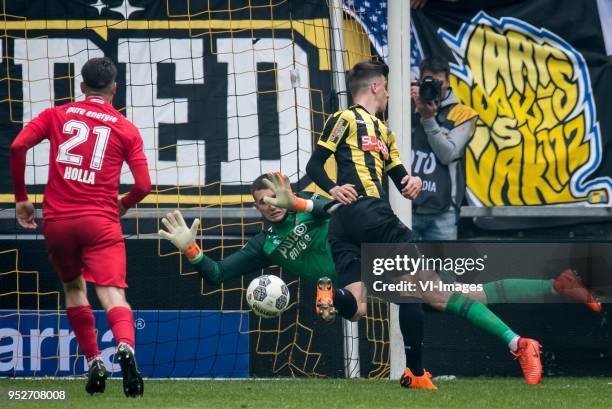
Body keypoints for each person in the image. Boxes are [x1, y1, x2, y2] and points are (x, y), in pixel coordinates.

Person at [305, 60, 543, 388]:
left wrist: (411, 183)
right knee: (415, 292)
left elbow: (401, 179)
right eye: (386, 88)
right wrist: (333, 187)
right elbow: (315, 163)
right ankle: (417, 372)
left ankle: (333, 297)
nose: (388, 94)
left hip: (342, 225)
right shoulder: (345, 117)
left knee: (357, 307)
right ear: (375, 87)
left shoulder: (384, 133)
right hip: (371, 214)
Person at [10, 57, 150, 397]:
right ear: (114, 88)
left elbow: (17, 146)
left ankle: (92, 361)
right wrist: (123, 204)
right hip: (100, 221)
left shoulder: (56, 115)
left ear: (82, 86)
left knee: (74, 288)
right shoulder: (125, 128)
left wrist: (21, 198)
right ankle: (125, 349)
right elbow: (144, 185)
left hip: (59, 220)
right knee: (113, 292)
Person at [158, 172, 368, 316]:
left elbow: (333, 208)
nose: (272, 205)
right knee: (358, 311)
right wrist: (190, 248)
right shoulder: (264, 245)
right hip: (346, 277)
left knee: (394, 296)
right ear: (256, 207)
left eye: (275, 197)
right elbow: (217, 273)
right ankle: (333, 296)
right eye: (263, 202)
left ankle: (335, 297)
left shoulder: (305, 203)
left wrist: (297, 202)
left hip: (361, 253)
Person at [410, 56, 478, 240]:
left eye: (438, 82)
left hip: (443, 212)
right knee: (405, 269)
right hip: (407, 206)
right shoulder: (407, 105)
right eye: (427, 82)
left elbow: (448, 154)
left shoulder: (463, 114)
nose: (432, 87)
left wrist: (428, 119)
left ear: (448, 82)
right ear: (419, 80)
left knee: (443, 269)